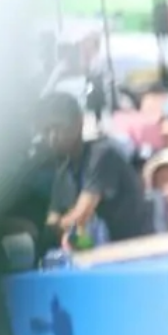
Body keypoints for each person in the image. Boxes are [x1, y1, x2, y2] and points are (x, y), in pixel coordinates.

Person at [37, 92, 150, 245]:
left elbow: (80, 216)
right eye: (47, 131)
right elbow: (52, 223)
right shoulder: (63, 173)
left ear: (79, 122)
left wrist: (62, 224)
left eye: (59, 127)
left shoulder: (101, 155)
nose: (52, 137)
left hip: (137, 246)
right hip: (104, 249)